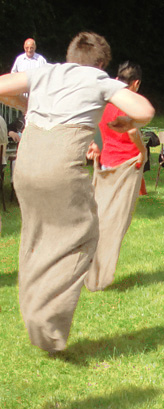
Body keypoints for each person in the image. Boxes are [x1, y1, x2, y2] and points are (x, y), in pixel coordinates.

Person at [0, 32, 154, 353]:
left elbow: (2, 86)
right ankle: (46, 321)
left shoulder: (43, 71)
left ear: (70, 55)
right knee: (84, 236)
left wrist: (26, 105)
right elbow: (144, 110)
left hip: (25, 169)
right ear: (101, 63)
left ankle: (32, 309)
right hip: (59, 167)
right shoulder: (97, 78)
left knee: (37, 234)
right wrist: (127, 123)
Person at [85, 61, 148, 292]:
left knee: (100, 219)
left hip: (106, 164)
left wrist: (95, 147)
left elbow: (93, 125)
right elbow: (132, 130)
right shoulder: (127, 102)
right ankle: (97, 276)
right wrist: (143, 151)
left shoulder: (106, 100)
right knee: (115, 223)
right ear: (136, 84)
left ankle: (88, 269)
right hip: (126, 166)